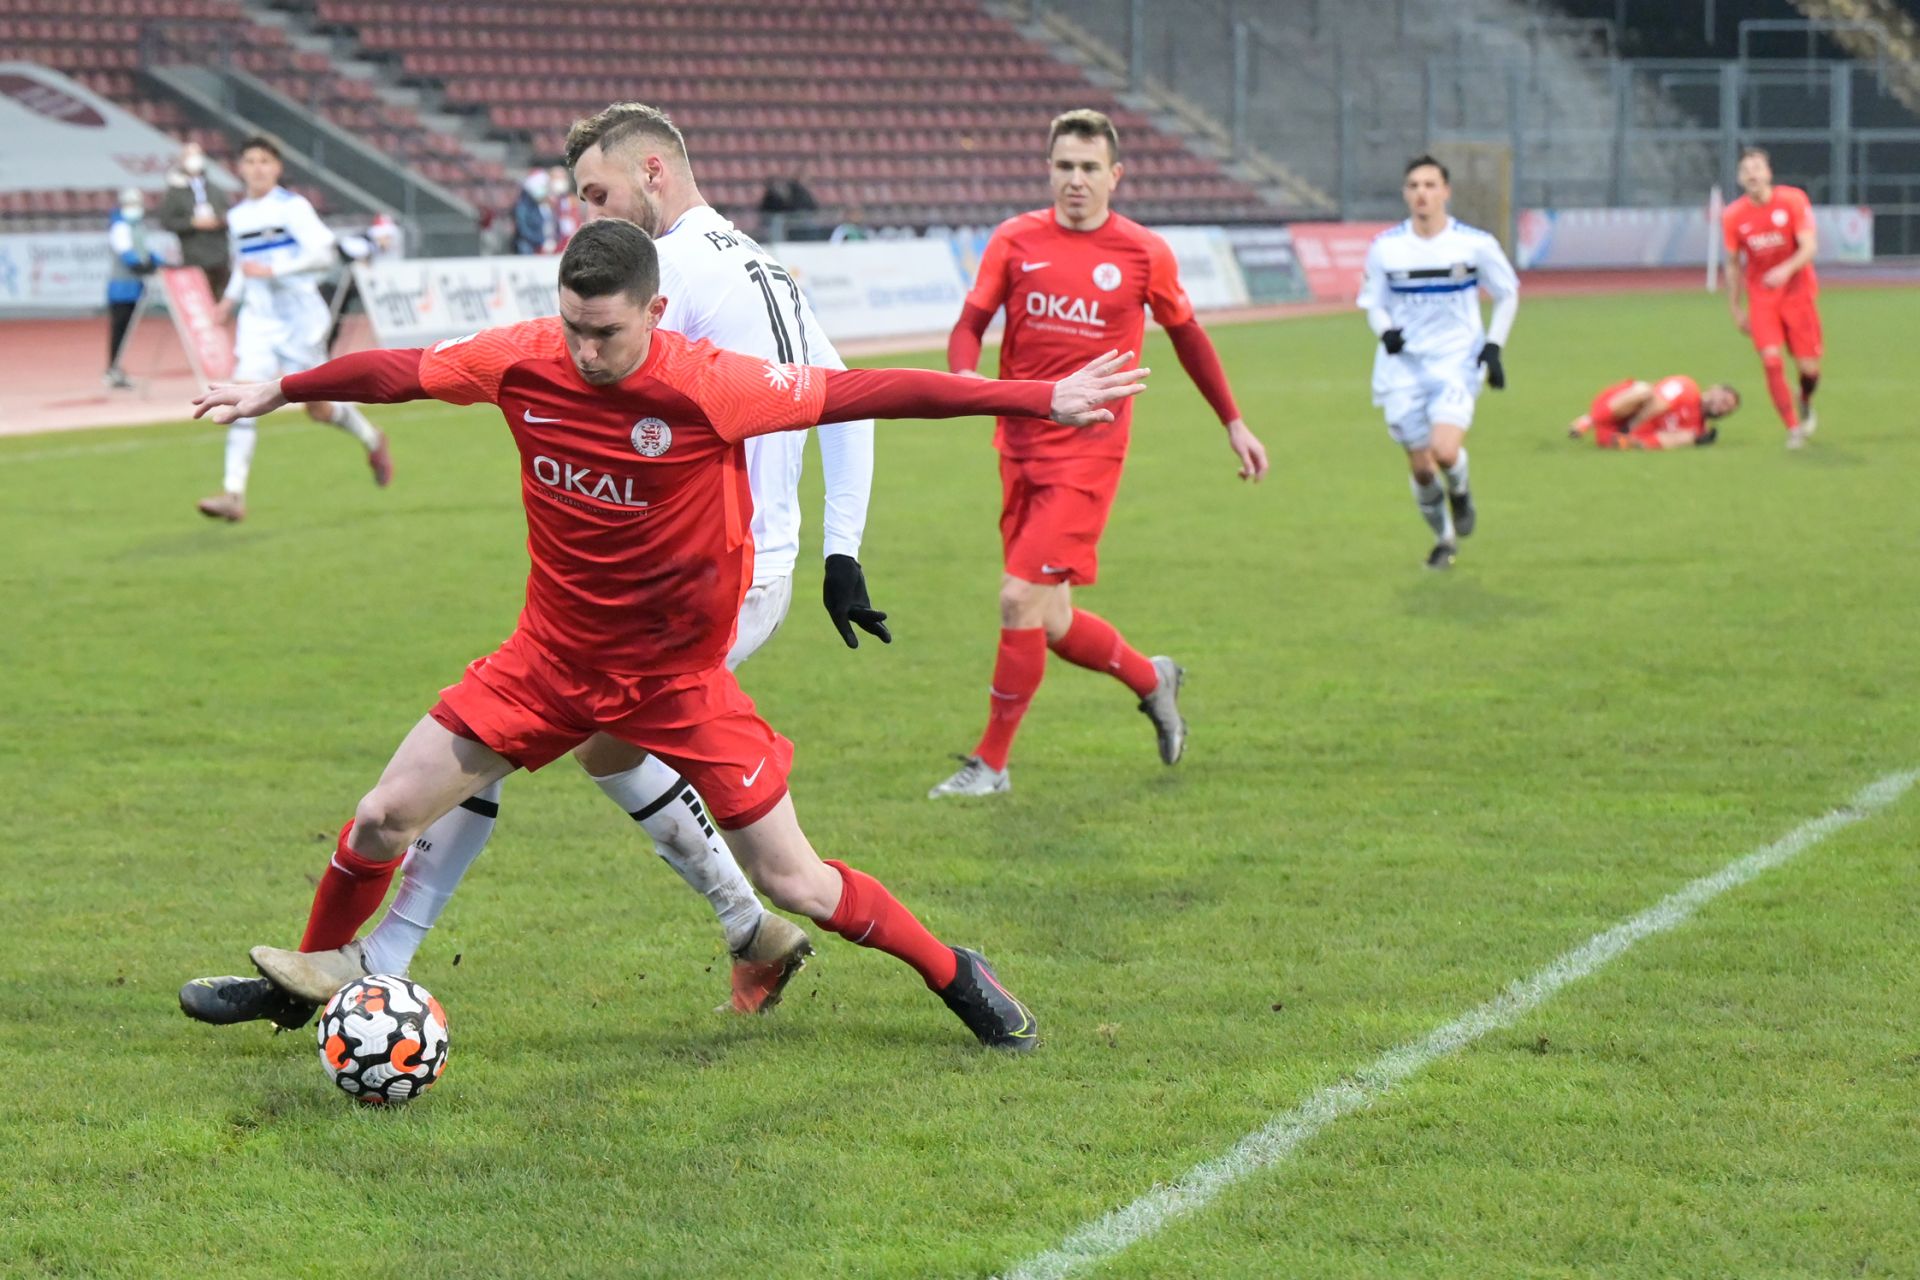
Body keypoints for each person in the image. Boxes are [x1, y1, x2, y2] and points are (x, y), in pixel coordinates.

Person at [180, 219, 1149, 1050]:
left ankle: (951, 968)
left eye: (603, 331)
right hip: (545, 663)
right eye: (572, 326)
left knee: (796, 880)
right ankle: (310, 978)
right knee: (385, 813)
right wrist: (281, 386)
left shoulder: (713, 386)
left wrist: (1038, 397)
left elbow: (877, 393)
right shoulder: (526, 356)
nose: (585, 351)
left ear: (654, 312)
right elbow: (404, 370)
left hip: (677, 681)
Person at [180, 102, 889, 1029]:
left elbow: (838, 395)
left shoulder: (659, 273)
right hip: (737, 558)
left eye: (597, 192)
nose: (584, 214)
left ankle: (353, 969)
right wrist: (842, 550)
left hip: (701, 571)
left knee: (497, 746)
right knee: (584, 744)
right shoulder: (758, 262)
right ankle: (749, 928)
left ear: (654, 174)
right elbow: (849, 398)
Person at [929, 108, 1268, 800]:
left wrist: (1233, 420)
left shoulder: (1143, 253)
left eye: (1088, 168)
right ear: (1048, 169)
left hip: (1088, 458)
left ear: (1115, 176)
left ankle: (991, 766)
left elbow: (1189, 336)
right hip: (1019, 444)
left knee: (1018, 597)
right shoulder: (1015, 239)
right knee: (1049, 621)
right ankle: (1153, 678)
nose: (1074, 180)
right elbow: (970, 324)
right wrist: (966, 378)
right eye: (1063, 166)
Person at [198, 135, 392, 523]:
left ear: (277, 168)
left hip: (301, 319)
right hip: (258, 319)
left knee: (318, 409)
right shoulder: (237, 216)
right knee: (242, 394)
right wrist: (230, 300)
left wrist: (275, 270)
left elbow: (322, 253)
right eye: (250, 161)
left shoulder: (293, 208)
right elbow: (243, 262)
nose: (257, 168)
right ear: (240, 168)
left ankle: (372, 439)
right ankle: (233, 493)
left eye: (264, 161)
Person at [1356, 155, 1519, 570]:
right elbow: (1373, 304)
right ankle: (1444, 538)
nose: (1421, 194)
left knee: (1445, 453)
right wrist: (1386, 331)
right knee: (1423, 470)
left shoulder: (1474, 243)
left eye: (1430, 185)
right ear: (1405, 194)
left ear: (1445, 191)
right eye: (1413, 186)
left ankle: (1461, 493)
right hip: (1404, 368)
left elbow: (1508, 292)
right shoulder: (1386, 247)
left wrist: (1494, 347)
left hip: (1456, 361)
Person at [1722, 147, 1823, 449]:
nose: (1752, 173)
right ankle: (1793, 428)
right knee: (1771, 361)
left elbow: (1809, 247)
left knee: (1809, 369)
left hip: (1798, 293)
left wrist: (1786, 269)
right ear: (1741, 179)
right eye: (1745, 170)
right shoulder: (1733, 216)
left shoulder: (1792, 200)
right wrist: (1735, 308)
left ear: (1768, 173)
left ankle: (1804, 398)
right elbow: (1732, 264)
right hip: (1763, 297)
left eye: (1757, 167)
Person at [1568, 376, 1740, 450]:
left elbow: (1663, 439)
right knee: (1644, 390)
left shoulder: (1697, 428)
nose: (1722, 407)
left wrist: (1695, 439)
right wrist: (1632, 425)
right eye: (1724, 400)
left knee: (1688, 436)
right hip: (1614, 409)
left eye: (1727, 409)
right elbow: (1658, 402)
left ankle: (1625, 443)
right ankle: (1587, 421)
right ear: (1713, 389)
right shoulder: (1687, 387)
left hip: (1616, 436)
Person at [157, 141, 230, 300]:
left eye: (197, 155)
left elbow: (229, 217)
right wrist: (192, 223)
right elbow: (167, 221)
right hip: (193, 257)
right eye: (189, 156)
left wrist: (218, 221)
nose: (194, 159)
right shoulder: (176, 192)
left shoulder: (216, 190)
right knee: (200, 303)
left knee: (220, 304)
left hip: (220, 257)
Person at [105, 187, 160, 390]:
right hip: (121, 286)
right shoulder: (119, 227)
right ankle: (113, 369)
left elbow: (146, 251)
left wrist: (157, 261)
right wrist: (145, 265)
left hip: (134, 285)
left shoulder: (138, 227)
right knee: (119, 329)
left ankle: (116, 369)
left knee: (126, 330)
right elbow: (128, 254)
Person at [514, 169, 554, 255]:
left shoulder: (546, 205)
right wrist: (542, 241)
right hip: (529, 248)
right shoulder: (523, 207)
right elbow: (524, 231)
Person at [549, 165, 582, 250]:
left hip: (570, 242)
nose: (560, 181)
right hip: (552, 243)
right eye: (556, 178)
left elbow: (577, 219)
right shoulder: (545, 202)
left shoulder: (573, 200)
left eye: (562, 178)